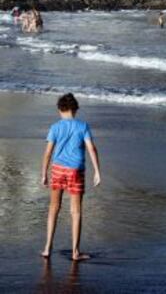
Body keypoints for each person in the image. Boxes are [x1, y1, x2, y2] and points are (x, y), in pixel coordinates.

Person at [41, 93, 101, 261]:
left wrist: (44, 173)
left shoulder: (55, 127)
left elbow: (48, 153)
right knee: (75, 211)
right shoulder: (83, 126)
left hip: (58, 169)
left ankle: (47, 248)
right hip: (76, 170)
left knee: (54, 208)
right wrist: (97, 171)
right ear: (75, 109)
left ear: (60, 109)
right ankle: (75, 252)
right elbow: (91, 149)